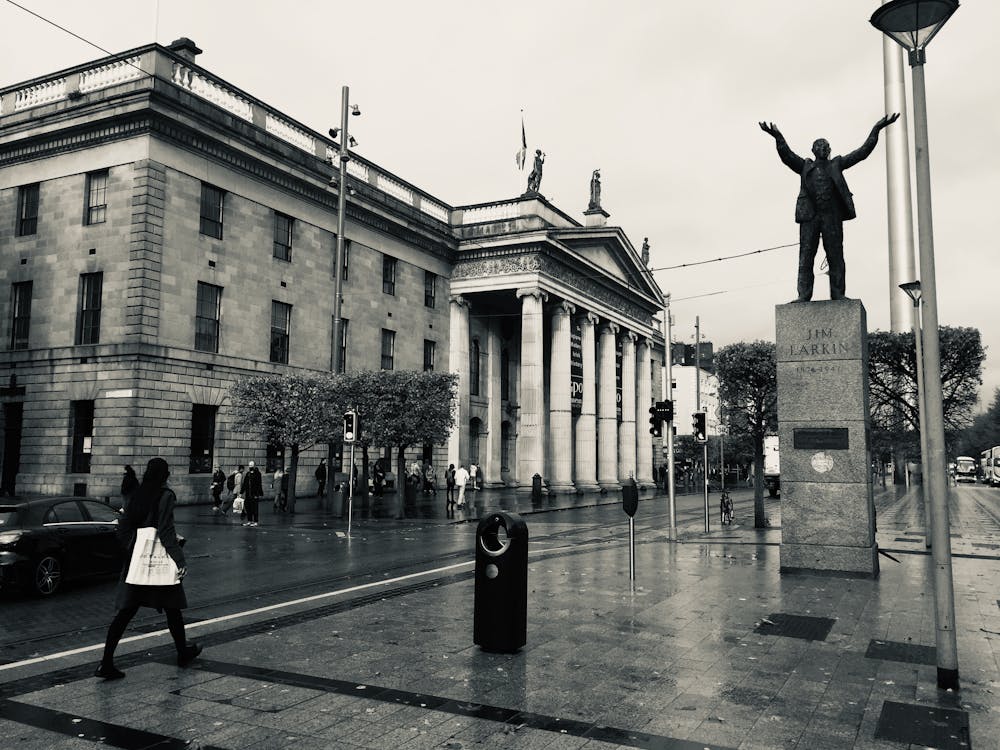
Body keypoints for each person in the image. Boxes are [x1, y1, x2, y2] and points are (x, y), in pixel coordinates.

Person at [759, 114, 899, 302]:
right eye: (819, 147)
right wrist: (778, 137)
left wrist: (877, 128)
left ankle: (838, 293)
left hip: (831, 217)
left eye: (825, 147)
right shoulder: (805, 166)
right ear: (813, 150)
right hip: (810, 217)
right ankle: (804, 294)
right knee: (806, 257)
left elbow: (862, 152)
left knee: (836, 256)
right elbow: (787, 155)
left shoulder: (837, 164)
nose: (823, 149)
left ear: (829, 150)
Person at [95, 457, 201, 680]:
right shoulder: (166, 496)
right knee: (173, 609)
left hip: (137, 562)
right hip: (158, 561)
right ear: (165, 475)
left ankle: (106, 662)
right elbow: (165, 531)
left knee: (124, 613)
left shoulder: (137, 494)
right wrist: (180, 560)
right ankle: (183, 652)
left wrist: (133, 546)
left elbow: (124, 526)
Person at [242, 461, 263, 527]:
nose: (250, 467)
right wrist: (241, 492)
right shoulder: (248, 474)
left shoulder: (257, 474)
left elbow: (259, 484)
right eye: (249, 465)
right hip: (248, 494)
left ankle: (255, 521)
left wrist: (258, 494)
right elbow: (245, 484)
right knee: (248, 508)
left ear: (254, 466)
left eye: (251, 465)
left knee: (255, 508)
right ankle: (249, 520)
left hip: (254, 494)